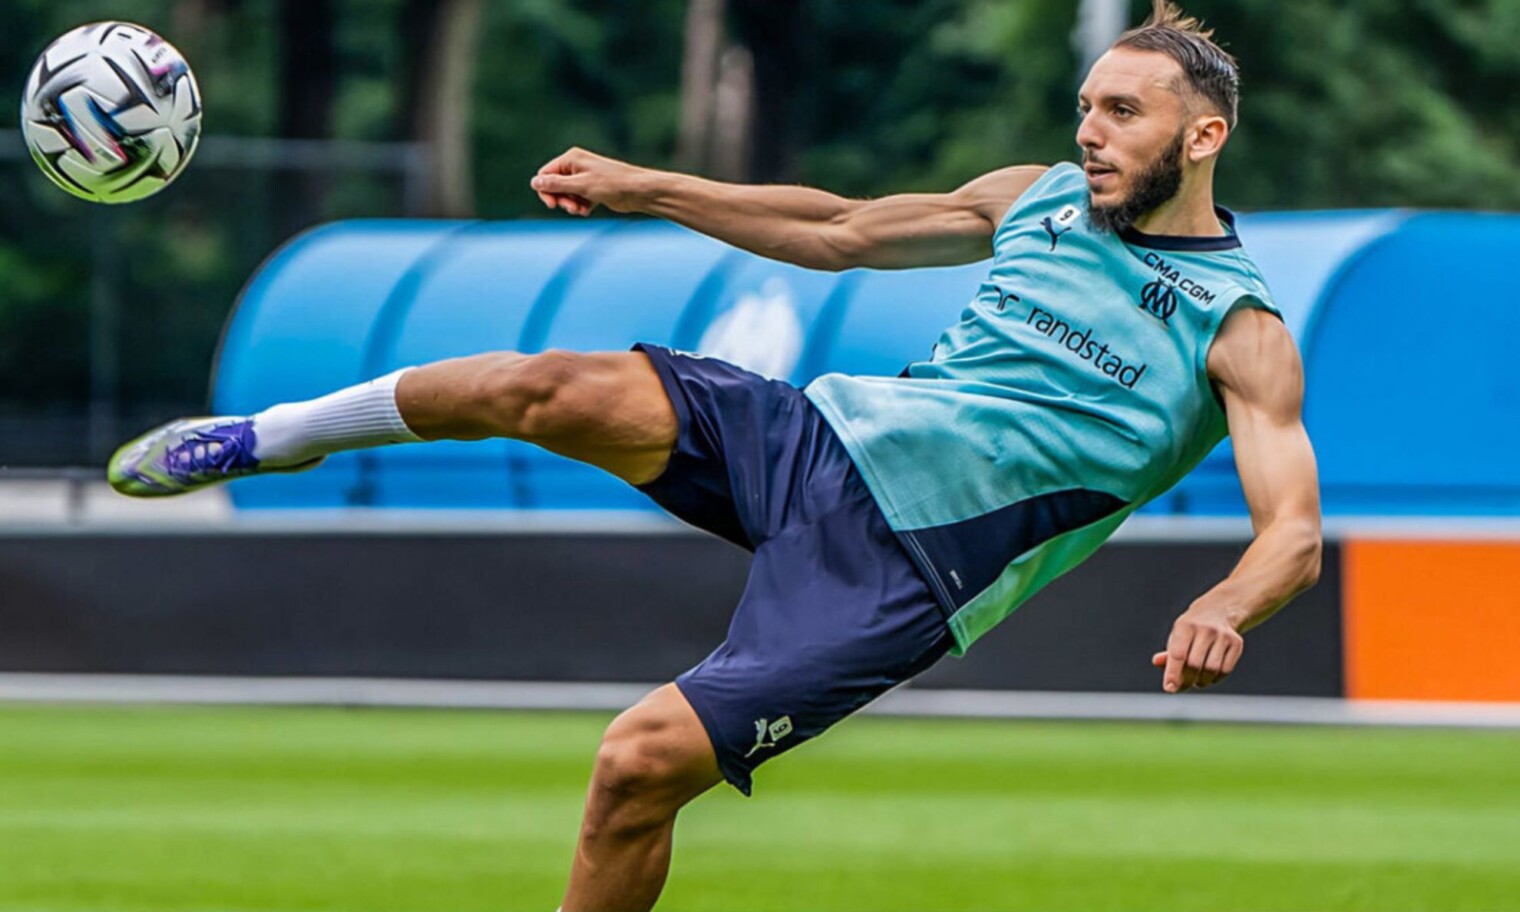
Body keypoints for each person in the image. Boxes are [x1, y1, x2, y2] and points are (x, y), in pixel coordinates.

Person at [108, 3, 1321, 909]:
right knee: (538, 383)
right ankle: (266, 439)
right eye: (1085, 107)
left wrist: (1224, 601)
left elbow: (1292, 533)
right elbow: (840, 231)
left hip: (909, 575)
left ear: (1202, 133)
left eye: (1123, 113)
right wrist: (648, 186)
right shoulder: (1037, 197)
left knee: (633, 766)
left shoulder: (1240, 327)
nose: (1089, 133)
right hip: (817, 438)